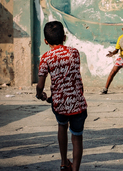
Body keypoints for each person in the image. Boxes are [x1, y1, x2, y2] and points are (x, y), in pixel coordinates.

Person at [36, 21, 87, 171]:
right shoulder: (74, 52)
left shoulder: (46, 58)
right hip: (77, 103)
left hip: (59, 103)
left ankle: (64, 162)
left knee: (62, 126)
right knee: (77, 136)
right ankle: (75, 169)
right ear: (64, 37)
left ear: (46, 41)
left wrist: (40, 94)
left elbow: (40, 84)